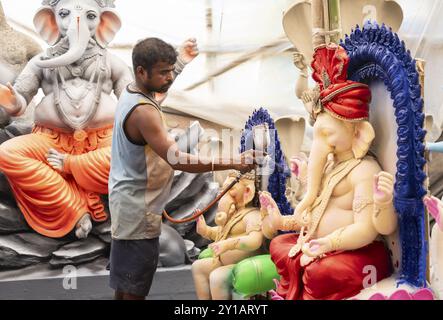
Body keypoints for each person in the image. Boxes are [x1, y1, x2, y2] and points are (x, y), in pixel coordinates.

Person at [108, 37, 260, 300]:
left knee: (127, 283)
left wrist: (180, 63)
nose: (168, 77)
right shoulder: (143, 112)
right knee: (135, 287)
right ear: (141, 71)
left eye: (170, 71)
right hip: (137, 210)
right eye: (163, 72)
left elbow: (159, 87)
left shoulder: (132, 91)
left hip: (127, 203)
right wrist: (234, 162)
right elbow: (177, 159)